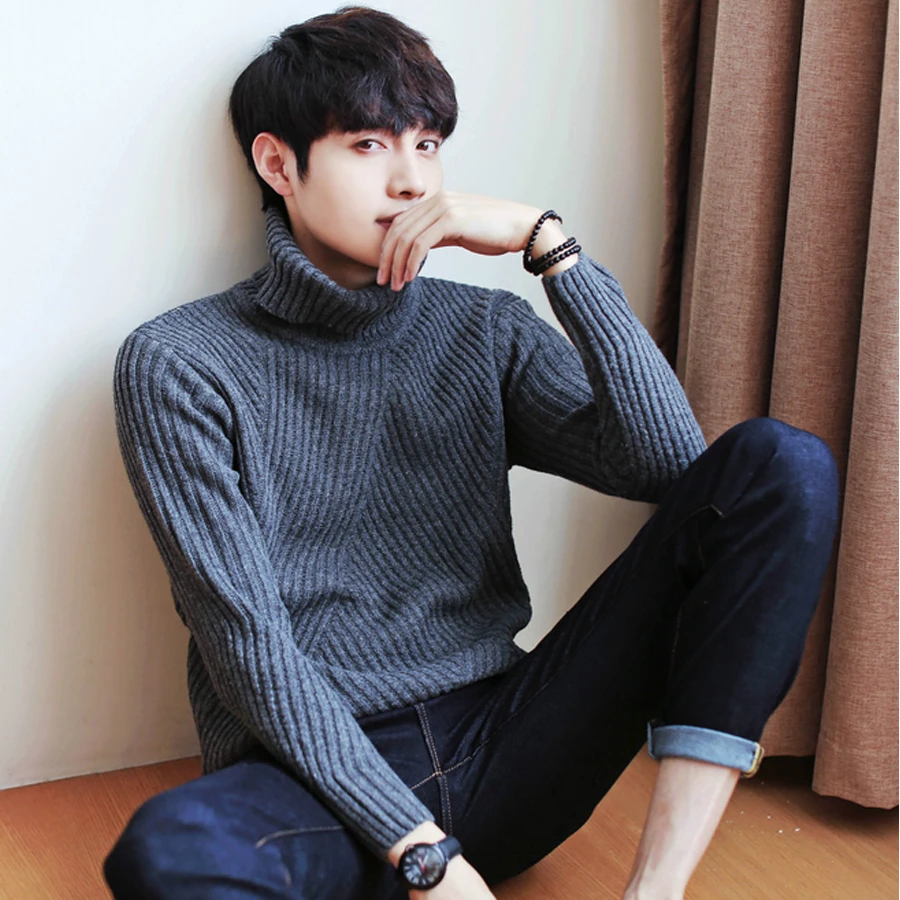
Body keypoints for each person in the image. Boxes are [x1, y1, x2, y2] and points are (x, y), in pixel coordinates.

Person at [102, 5, 840, 899]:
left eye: (428, 145)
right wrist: (422, 854)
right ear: (277, 164)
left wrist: (553, 250)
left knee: (781, 465)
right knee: (167, 852)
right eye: (368, 145)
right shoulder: (182, 363)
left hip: (510, 737)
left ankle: (655, 891)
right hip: (321, 782)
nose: (412, 180)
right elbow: (247, 645)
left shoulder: (483, 330)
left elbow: (674, 472)